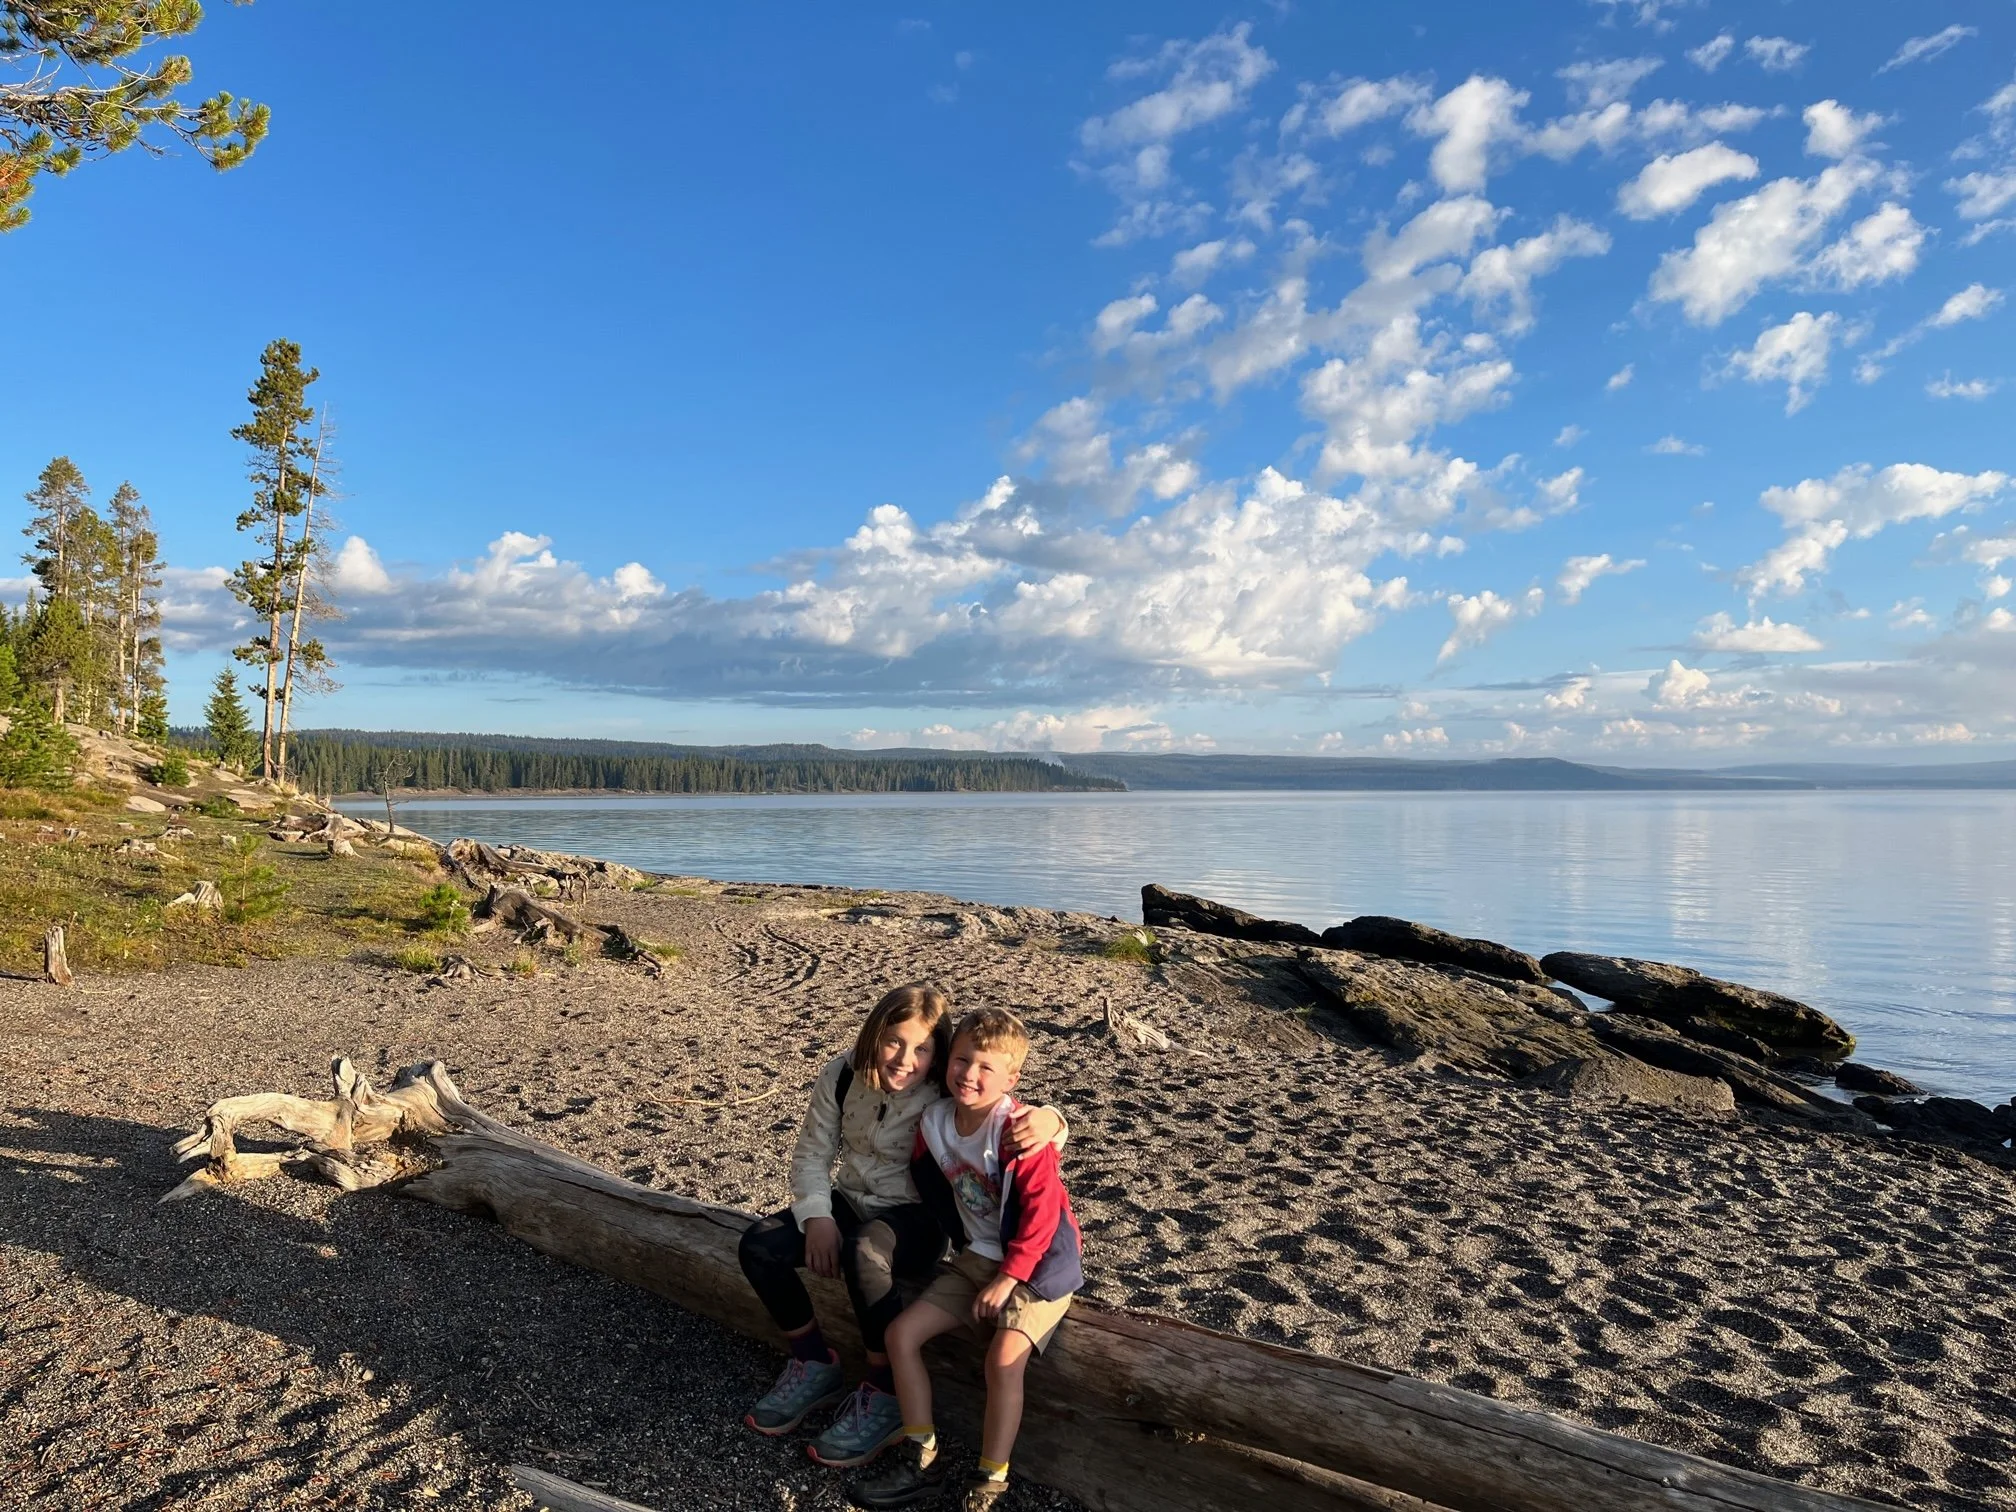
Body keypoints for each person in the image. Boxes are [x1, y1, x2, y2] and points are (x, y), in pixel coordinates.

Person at [738, 984, 1068, 1470]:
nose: (904, 1060)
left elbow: (1006, 1114)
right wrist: (817, 1216)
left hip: (914, 1218)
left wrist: (1053, 1121)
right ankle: (813, 1361)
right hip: (849, 1199)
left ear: (938, 1055)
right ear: (874, 1035)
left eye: (922, 1049)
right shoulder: (843, 1074)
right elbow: (813, 1152)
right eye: (894, 1041)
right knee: (759, 1246)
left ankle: (882, 1388)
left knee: (864, 1251)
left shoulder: (942, 1090)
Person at [853, 1008, 1083, 1512]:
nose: (970, 1075)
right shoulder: (935, 1120)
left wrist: (1011, 1277)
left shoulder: (1019, 1131)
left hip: (1040, 1264)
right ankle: (920, 1451)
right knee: (900, 1335)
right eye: (961, 1060)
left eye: (985, 1067)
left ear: (1012, 1078)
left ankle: (991, 1478)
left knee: (1002, 1360)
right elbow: (921, 1171)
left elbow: (1043, 1216)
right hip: (979, 1256)